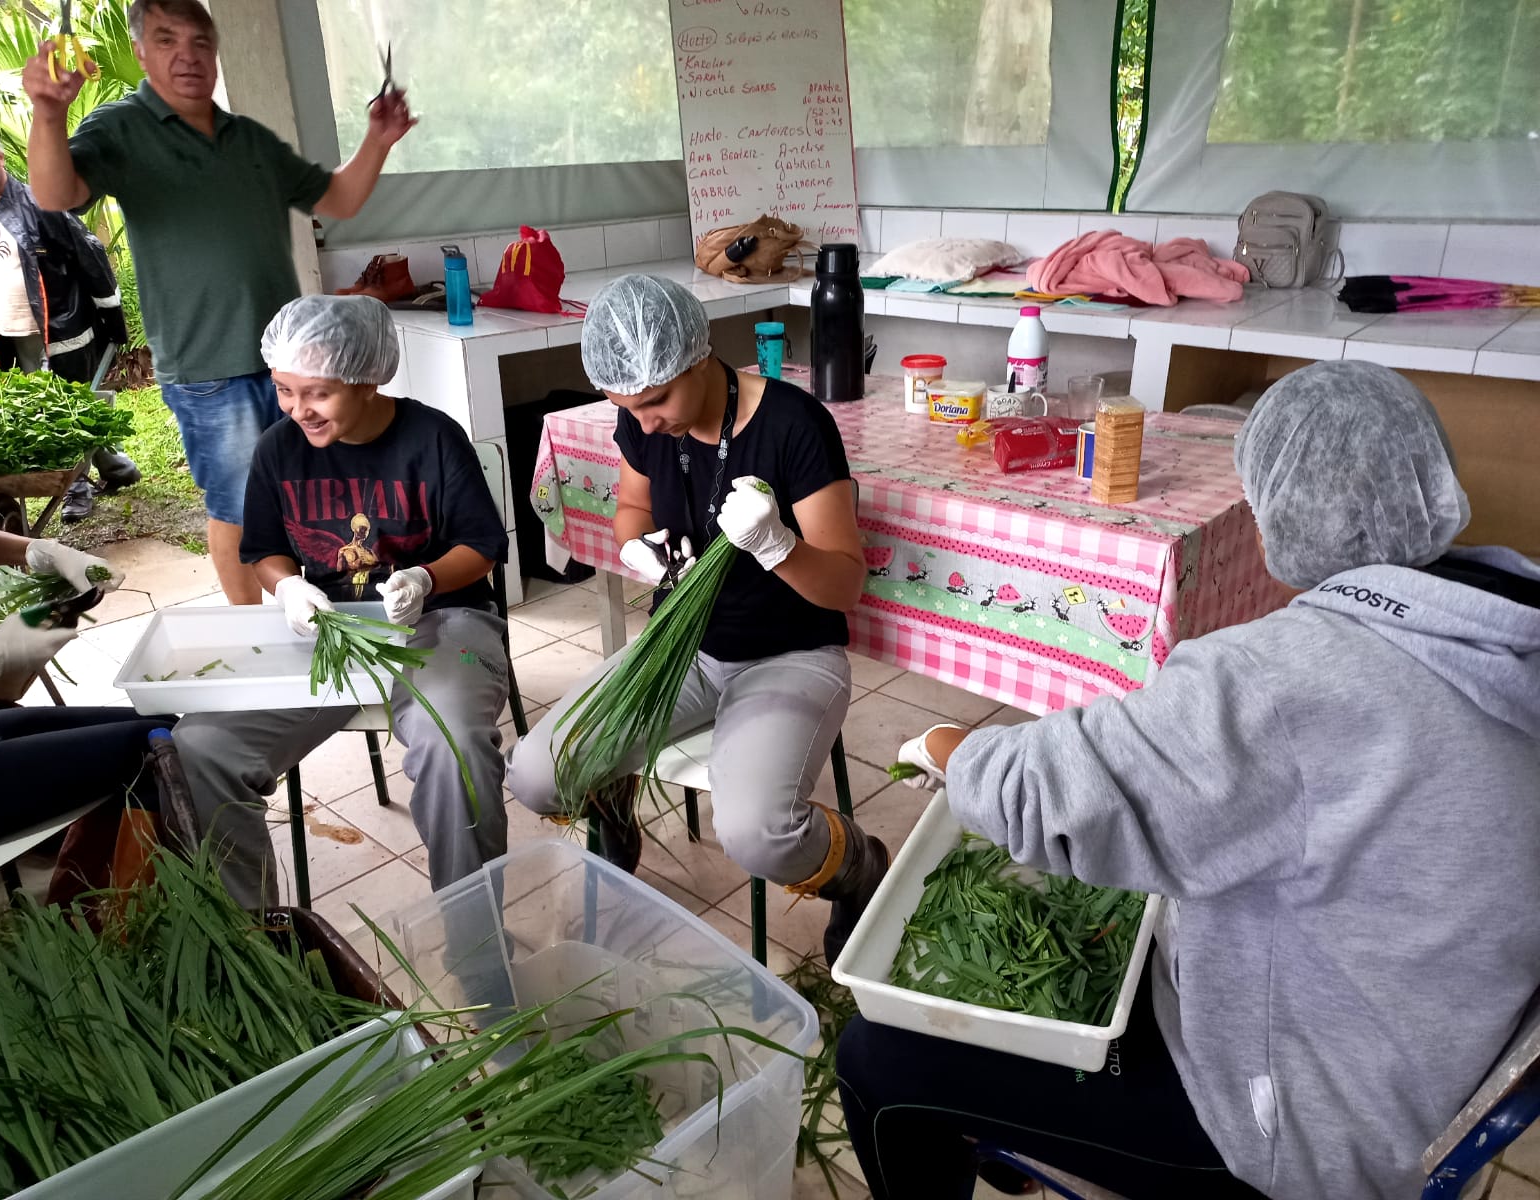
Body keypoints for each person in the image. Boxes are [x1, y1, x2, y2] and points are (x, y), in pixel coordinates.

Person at [841, 360, 1540, 1200]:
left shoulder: (1288, 680)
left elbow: (1045, 795)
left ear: (1280, 512)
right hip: (1422, 1064)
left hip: (1303, 1132)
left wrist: (950, 746)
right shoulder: (1501, 620)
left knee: (876, 1058)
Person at [506, 274, 886, 966]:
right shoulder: (642, 420)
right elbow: (632, 508)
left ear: (697, 357)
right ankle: (613, 799)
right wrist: (635, 546)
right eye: (627, 406)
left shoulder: (794, 425)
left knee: (756, 833)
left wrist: (779, 546)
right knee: (537, 772)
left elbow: (845, 586)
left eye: (655, 402)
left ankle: (860, 870)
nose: (643, 421)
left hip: (790, 653)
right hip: (681, 646)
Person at [21, 0, 415, 604]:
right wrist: (48, 112)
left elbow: (337, 199)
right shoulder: (121, 129)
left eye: (200, 41)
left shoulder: (250, 139)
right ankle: (252, 631)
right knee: (238, 509)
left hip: (294, 366)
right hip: (209, 371)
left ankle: (324, 613)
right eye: (167, 39)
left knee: (313, 497)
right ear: (142, 52)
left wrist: (379, 140)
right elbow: (54, 195)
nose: (188, 55)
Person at [171, 295, 511, 908]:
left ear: (368, 378)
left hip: (443, 621)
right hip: (332, 630)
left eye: (317, 394)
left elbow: (482, 546)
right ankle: (257, 942)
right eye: (284, 390)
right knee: (201, 746)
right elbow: (265, 550)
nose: (299, 410)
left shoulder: (432, 437)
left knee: (453, 745)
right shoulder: (279, 448)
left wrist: (427, 578)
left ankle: (475, 941)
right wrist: (288, 586)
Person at [0, 317, 169, 868]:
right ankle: (121, 920)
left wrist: (40, 552)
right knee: (156, 753)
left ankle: (82, 868)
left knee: (155, 729)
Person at [0, 115, 138, 522]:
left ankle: (76, 486)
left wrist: (111, 314)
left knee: (68, 409)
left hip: (60, 327)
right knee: (60, 407)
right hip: (9, 331)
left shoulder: (39, 202)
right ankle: (117, 467)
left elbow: (90, 254)